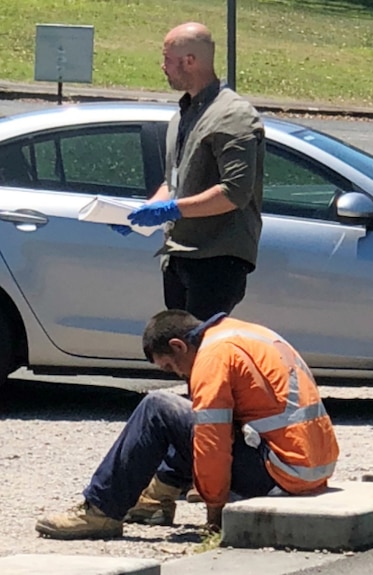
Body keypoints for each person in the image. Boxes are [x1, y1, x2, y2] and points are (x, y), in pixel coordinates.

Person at [35, 310, 340, 540]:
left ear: (179, 346)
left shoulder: (212, 357)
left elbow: (212, 443)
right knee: (190, 416)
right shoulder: (242, 333)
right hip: (307, 468)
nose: (178, 374)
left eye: (170, 366)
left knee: (158, 407)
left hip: (280, 476)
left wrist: (215, 509)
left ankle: (101, 510)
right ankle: (155, 501)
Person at [117, 21, 265, 321]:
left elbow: (234, 192)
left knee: (202, 353)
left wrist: (171, 210)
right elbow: (174, 181)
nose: (163, 67)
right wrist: (142, 213)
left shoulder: (232, 115)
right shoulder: (184, 113)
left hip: (216, 259)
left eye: (168, 59)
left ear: (190, 61)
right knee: (182, 356)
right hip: (178, 255)